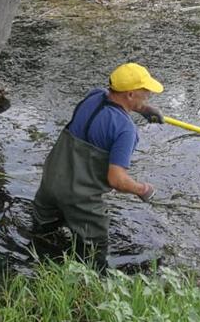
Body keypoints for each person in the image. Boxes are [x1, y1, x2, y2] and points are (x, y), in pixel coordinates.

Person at [31, 63, 164, 272]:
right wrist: (143, 189)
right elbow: (116, 179)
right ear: (130, 94)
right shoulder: (126, 130)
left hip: (50, 183)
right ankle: (90, 287)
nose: (148, 96)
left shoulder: (94, 96)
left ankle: (36, 267)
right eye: (145, 93)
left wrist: (144, 109)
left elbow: (110, 107)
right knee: (94, 253)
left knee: (42, 233)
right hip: (80, 198)